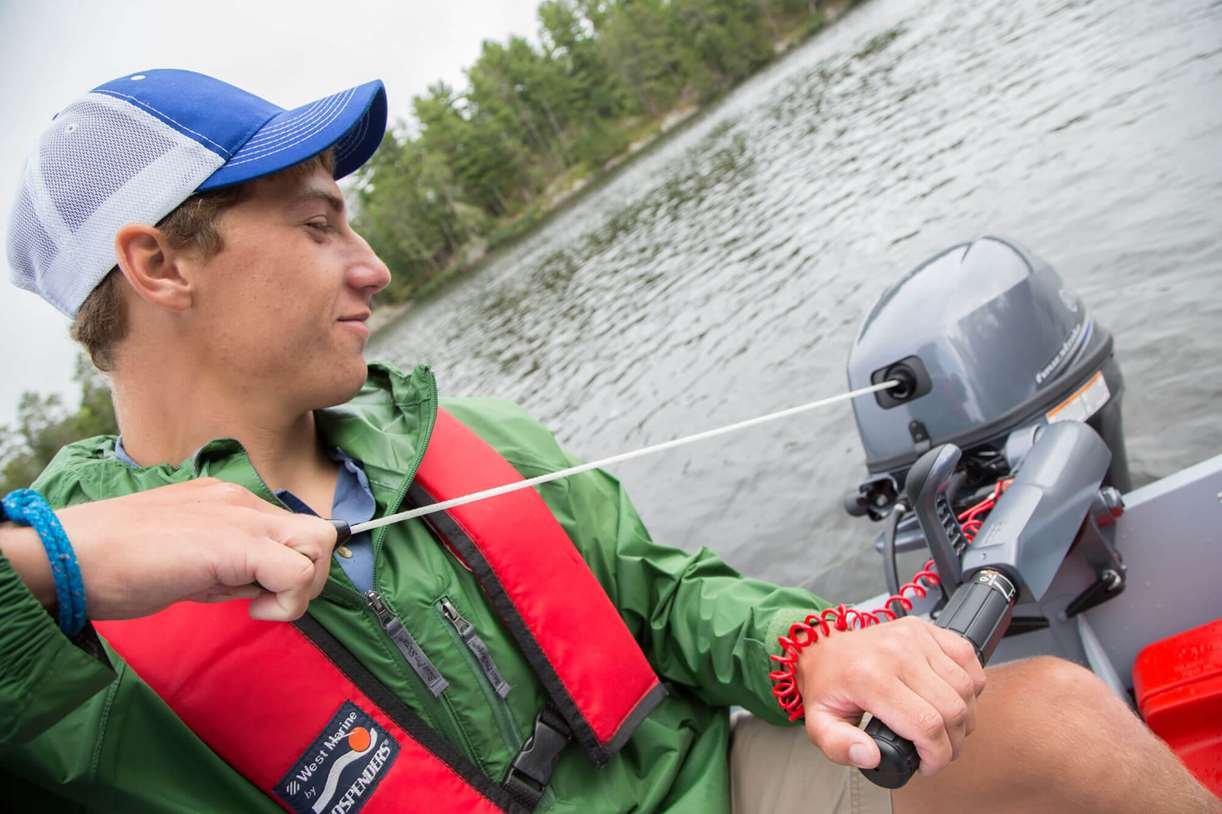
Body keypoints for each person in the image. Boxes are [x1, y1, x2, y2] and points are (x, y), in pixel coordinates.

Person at [0, 69, 1214, 814]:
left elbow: (664, 597)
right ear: (159, 264)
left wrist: (810, 651)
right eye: (319, 225)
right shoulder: (60, 646)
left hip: (704, 788)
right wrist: (52, 561)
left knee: (1050, 718)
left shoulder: (465, 437)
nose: (372, 267)